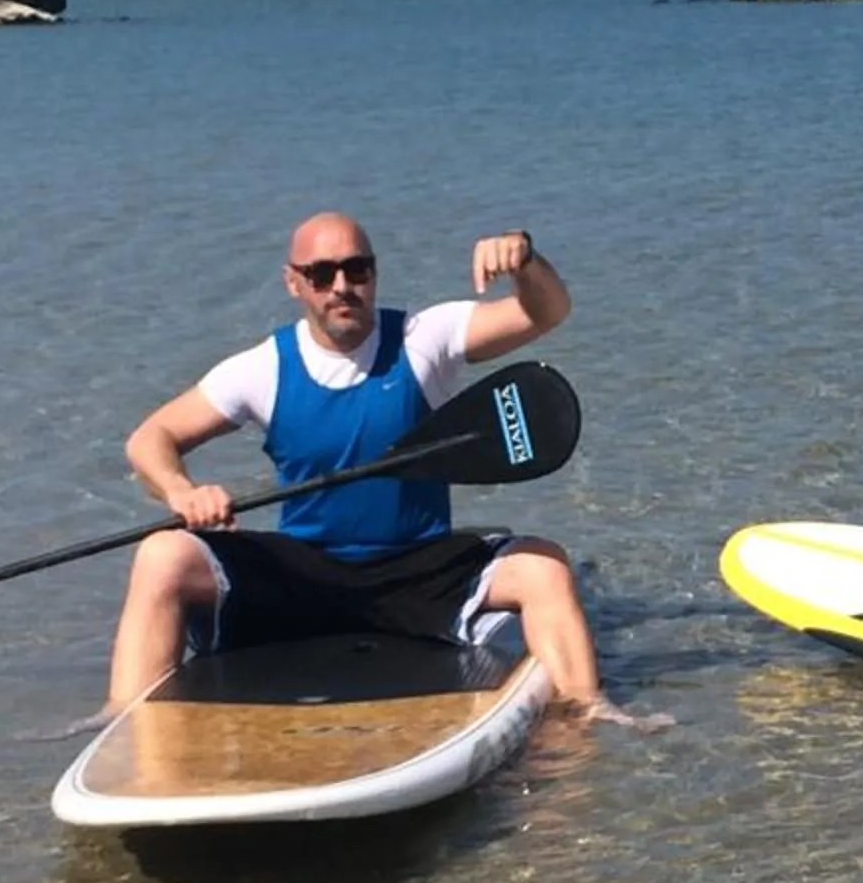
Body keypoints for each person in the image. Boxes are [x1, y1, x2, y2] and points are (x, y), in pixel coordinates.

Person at [102, 212, 605, 715]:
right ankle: (123, 720)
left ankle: (586, 716)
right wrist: (181, 491)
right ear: (293, 282)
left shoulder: (424, 338)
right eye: (321, 274)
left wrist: (526, 260)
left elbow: (546, 312)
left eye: (356, 270)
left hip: (419, 570)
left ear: (374, 273)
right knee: (162, 556)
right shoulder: (262, 369)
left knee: (544, 567)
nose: (342, 287)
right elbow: (151, 438)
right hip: (303, 577)